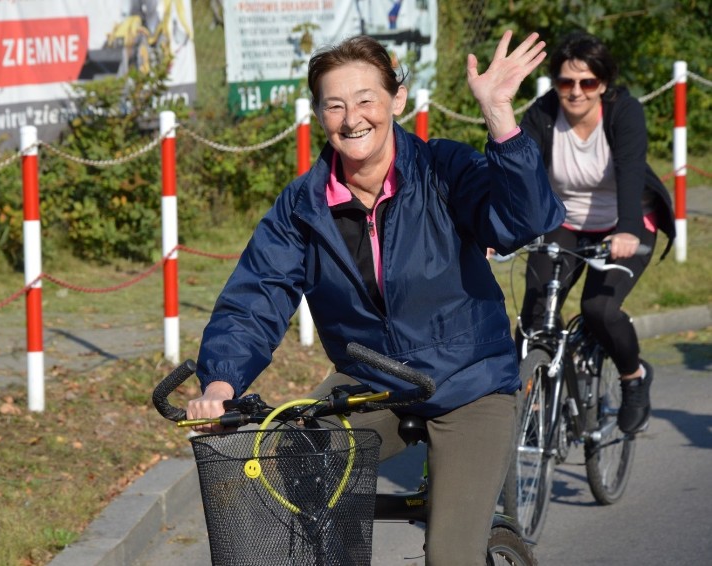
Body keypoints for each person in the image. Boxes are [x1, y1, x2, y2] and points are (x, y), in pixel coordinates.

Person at [187, 31, 564, 565]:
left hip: (470, 381)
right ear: (318, 113)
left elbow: (523, 221)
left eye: (366, 99)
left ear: (397, 101)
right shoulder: (302, 207)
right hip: (372, 382)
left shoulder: (443, 170)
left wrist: (500, 118)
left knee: (453, 556)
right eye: (335, 104)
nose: (352, 118)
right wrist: (221, 381)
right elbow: (257, 297)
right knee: (293, 466)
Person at [518, 31, 675, 435]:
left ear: (602, 84)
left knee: (599, 310)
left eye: (587, 82)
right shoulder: (541, 114)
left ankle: (633, 377)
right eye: (566, 82)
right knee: (533, 318)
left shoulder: (624, 113)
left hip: (626, 222)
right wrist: (496, 230)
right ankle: (534, 404)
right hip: (565, 222)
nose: (575, 92)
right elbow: (519, 177)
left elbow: (629, 170)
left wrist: (626, 229)